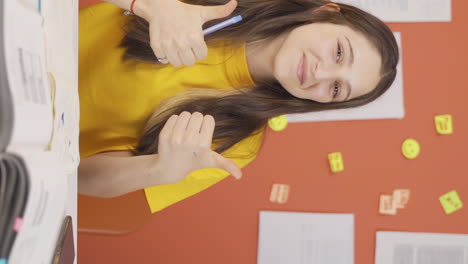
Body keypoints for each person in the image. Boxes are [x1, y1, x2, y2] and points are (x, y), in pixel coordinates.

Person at [78, 0, 399, 213]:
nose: (321, 73)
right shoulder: (225, 5)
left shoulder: (237, 143)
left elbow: (80, 179)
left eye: (336, 88)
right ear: (326, 11)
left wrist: (159, 170)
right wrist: (149, 4)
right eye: (340, 53)